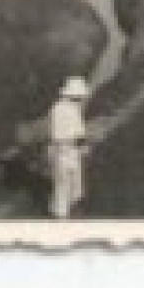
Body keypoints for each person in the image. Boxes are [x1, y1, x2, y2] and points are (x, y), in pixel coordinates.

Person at [46, 76, 91, 218]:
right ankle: (64, 215)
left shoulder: (55, 108)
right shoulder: (73, 111)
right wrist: (85, 146)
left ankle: (57, 211)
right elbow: (80, 134)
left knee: (60, 183)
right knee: (71, 185)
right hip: (70, 150)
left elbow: (53, 130)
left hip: (56, 149)